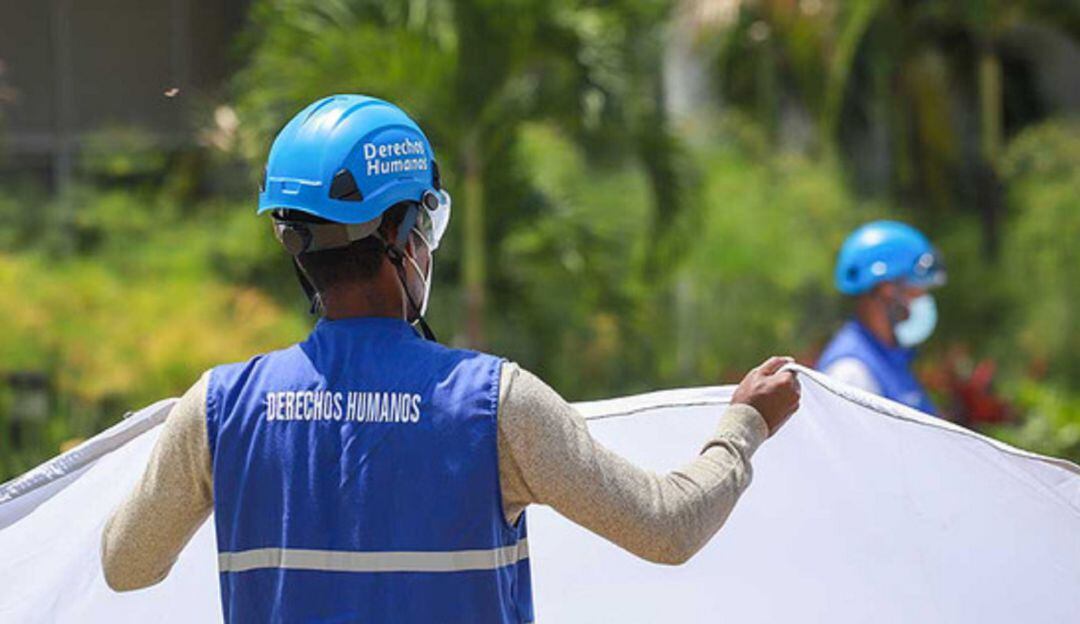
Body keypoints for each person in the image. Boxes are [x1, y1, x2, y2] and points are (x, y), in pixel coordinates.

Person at [100, 95, 800, 623]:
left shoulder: (218, 411)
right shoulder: (495, 406)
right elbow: (667, 527)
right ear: (403, 237)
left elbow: (126, 566)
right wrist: (745, 426)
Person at [817, 220, 946, 415]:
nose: (924, 299)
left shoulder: (891, 360)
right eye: (919, 288)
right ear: (887, 288)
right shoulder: (851, 373)